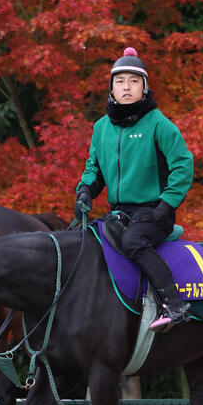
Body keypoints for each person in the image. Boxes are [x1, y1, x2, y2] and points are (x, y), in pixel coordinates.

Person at [75, 47, 194, 332]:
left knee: (133, 243)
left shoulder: (159, 124)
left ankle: (175, 307)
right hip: (119, 211)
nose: (126, 87)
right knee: (78, 240)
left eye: (133, 81)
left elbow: (183, 165)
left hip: (154, 210)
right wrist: (86, 190)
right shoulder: (101, 127)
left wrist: (166, 205)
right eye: (120, 81)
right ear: (112, 88)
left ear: (144, 87)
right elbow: (95, 168)